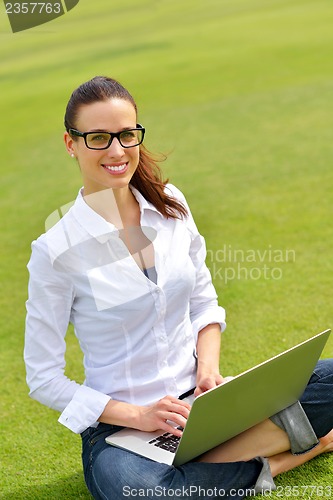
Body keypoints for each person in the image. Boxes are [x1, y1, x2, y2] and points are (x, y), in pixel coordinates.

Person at [24, 76, 333, 500]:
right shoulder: (55, 250)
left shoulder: (171, 204)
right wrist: (140, 415)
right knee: (133, 489)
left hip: (202, 408)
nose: (116, 151)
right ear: (70, 143)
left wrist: (207, 372)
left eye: (126, 135)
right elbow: (44, 378)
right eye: (98, 138)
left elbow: (204, 303)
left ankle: (214, 452)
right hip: (122, 431)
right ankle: (281, 456)